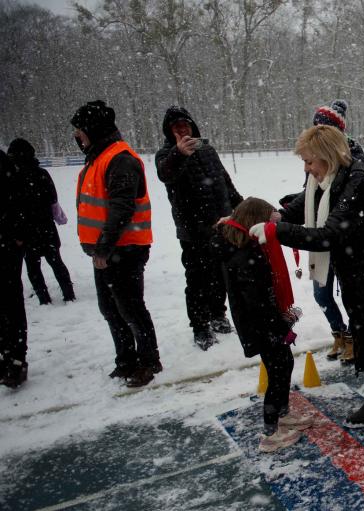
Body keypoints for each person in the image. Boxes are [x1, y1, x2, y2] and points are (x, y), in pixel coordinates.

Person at [252, 125, 364, 426]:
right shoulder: (328, 179)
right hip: (353, 265)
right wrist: (270, 217)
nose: (307, 169)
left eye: (309, 162)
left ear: (328, 157)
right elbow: (304, 203)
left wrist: (278, 231)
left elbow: (330, 234)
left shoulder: (356, 182)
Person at [71, 100, 162, 387]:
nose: (77, 136)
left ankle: (148, 361)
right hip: (107, 250)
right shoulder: (98, 158)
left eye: (79, 130)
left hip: (125, 249)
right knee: (110, 308)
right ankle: (125, 359)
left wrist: (104, 248)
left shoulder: (120, 159)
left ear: (92, 130)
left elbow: (121, 208)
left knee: (130, 307)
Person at [211, 197, 313, 452]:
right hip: (261, 324)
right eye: (267, 221)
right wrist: (279, 324)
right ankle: (271, 432)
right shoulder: (245, 253)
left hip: (263, 321)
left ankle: (283, 412)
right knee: (277, 371)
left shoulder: (241, 243)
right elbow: (256, 298)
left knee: (283, 364)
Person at [277, 100, 364, 364]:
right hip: (322, 238)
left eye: (324, 129)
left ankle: (353, 337)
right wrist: (283, 213)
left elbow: (340, 203)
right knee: (321, 293)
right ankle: (339, 333)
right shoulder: (316, 161)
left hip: (339, 241)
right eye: (315, 127)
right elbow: (312, 193)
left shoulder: (354, 164)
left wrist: (279, 229)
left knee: (354, 297)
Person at [155, 106, 243, 350]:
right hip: (193, 231)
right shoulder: (165, 155)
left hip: (221, 227)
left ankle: (217, 314)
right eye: (177, 128)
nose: (183, 130)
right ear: (169, 132)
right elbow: (165, 174)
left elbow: (226, 183)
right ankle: (200, 325)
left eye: (186, 125)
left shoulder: (208, 150)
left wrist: (243, 208)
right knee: (197, 279)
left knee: (219, 276)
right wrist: (179, 154)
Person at [7, 138, 75, 305]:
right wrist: (57, 218)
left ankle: (43, 298)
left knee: (33, 266)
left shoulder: (12, 178)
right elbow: (53, 199)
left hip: (25, 231)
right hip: (46, 228)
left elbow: (11, 207)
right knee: (56, 262)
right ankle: (69, 294)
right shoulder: (41, 173)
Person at [0, 149, 28, 387]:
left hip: (6, 245)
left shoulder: (5, 165)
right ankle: (6, 356)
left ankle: (16, 358)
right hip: (8, 241)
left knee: (10, 304)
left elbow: (20, 199)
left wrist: (17, 234)